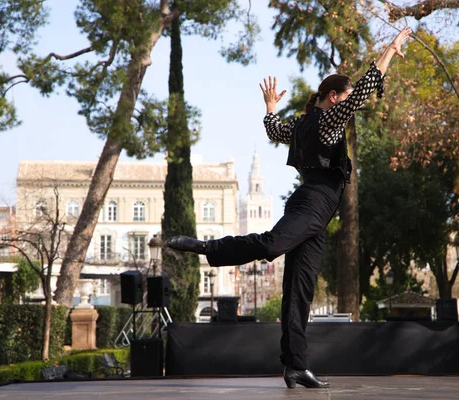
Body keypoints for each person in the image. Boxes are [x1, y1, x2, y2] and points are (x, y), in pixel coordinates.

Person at [167, 27, 412, 388]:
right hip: (313, 204)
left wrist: (269, 107)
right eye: (342, 99)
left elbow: (273, 129)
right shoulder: (329, 120)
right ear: (333, 97)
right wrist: (391, 48)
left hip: (316, 212)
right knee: (270, 245)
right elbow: (362, 90)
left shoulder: (300, 124)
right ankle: (206, 247)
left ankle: (295, 364)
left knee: (299, 290)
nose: (348, 107)